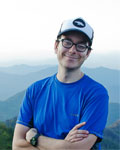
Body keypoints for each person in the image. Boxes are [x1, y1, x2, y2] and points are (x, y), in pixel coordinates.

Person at [12, 17, 109, 150]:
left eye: (81, 46)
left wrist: (34, 137)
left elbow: (76, 149)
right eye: (67, 42)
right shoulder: (35, 90)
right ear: (56, 46)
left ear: (88, 53)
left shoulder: (96, 94)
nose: (73, 50)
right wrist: (63, 145)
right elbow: (17, 146)